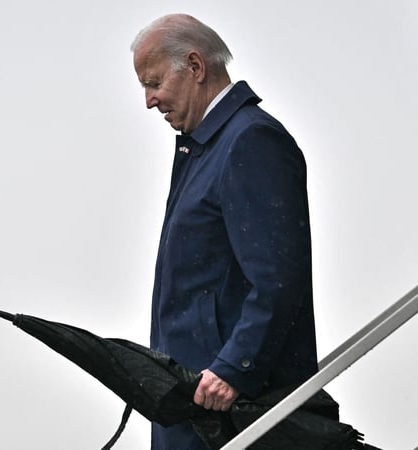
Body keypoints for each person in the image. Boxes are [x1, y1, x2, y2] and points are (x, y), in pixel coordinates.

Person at [131, 14, 319, 449]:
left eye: (154, 82)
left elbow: (277, 277)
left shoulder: (251, 141)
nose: (149, 100)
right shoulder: (205, 148)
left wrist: (235, 368)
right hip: (199, 405)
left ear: (195, 67)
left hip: (230, 411)